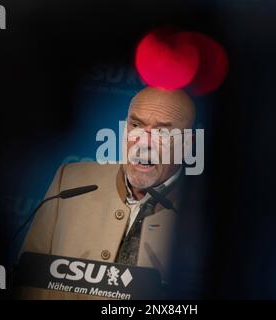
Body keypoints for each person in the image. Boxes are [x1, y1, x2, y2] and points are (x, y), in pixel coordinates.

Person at [18, 86, 196, 299]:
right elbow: (27, 280)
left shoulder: (208, 213)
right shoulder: (70, 180)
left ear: (188, 144)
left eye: (162, 132)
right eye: (136, 125)